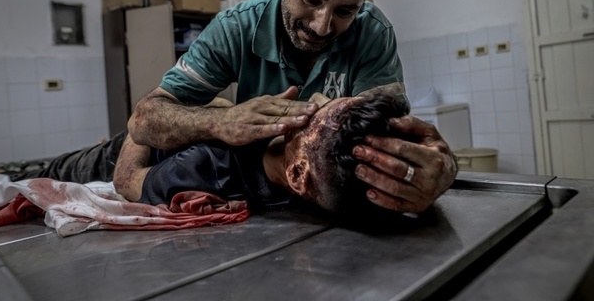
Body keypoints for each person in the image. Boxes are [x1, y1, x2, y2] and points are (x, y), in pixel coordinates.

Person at [125, 0, 458, 215]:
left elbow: (386, 144)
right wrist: (222, 122)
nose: (321, 25)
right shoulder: (237, 27)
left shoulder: (371, 32)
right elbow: (143, 120)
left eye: (345, 11)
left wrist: (438, 169)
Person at [114, 92, 412, 216]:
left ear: (297, 174)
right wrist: (222, 113)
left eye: (318, 110)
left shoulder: (207, 169)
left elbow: (125, 180)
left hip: (116, 152)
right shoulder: (320, 181)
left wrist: (147, 118)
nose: (317, 96)